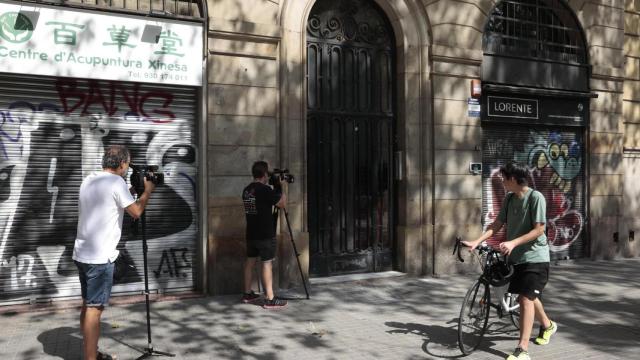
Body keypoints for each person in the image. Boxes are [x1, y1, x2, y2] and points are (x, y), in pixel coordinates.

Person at [462, 161, 557, 360]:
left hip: (536, 257)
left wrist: (513, 242)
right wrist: (476, 241)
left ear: (513, 179)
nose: (502, 182)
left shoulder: (535, 197)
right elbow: (497, 224)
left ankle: (522, 349)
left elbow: (539, 229)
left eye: (504, 178)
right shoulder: (509, 199)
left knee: (525, 298)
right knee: (530, 296)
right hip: (517, 259)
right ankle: (548, 326)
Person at [72, 145, 156, 360]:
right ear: (121, 164)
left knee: (87, 305)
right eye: (127, 164)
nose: (128, 168)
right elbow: (136, 212)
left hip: (82, 253)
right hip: (100, 258)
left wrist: (132, 194)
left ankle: (91, 352)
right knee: (95, 309)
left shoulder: (90, 179)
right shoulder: (116, 182)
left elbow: (110, 202)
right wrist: (147, 192)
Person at [241, 161, 288, 309]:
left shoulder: (247, 190)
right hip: (265, 234)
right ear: (264, 174)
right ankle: (270, 298)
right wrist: (282, 186)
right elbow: (282, 204)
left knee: (250, 262)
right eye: (267, 174)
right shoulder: (265, 190)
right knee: (267, 264)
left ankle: (247, 294)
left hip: (251, 233)